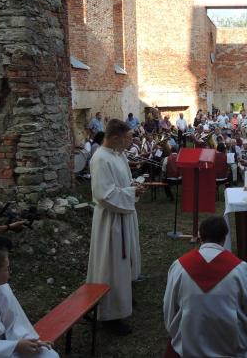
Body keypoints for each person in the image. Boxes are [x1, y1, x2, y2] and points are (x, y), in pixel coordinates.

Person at [163, 216, 247, 358]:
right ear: (225, 238)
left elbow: (169, 308)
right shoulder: (240, 269)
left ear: (200, 236)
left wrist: (175, 332)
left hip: (188, 345)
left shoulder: (179, 267)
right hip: (231, 345)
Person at [86, 119, 144, 335]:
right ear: (116, 137)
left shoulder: (119, 155)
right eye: (128, 138)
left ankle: (123, 296)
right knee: (112, 265)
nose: (131, 142)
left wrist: (133, 187)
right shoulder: (101, 159)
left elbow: (123, 183)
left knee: (124, 262)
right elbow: (104, 194)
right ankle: (110, 314)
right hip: (111, 220)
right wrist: (132, 192)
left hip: (123, 215)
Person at [0, 250, 58, 358]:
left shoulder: (2, 289)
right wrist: (15, 346)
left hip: (12, 343)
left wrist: (32, 342)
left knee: (50, 355)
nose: (10, 271)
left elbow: (16, 321)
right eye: (6, 269)